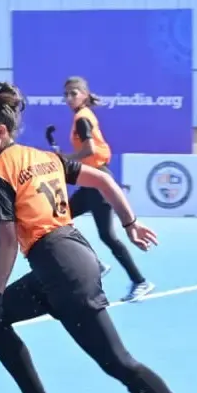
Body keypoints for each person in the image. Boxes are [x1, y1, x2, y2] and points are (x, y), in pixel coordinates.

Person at [0, 82, 197, 393]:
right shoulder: (44, 157)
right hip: (68, 260)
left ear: (1, 131)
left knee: (117, 363)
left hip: (64, 272)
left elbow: (7, 238)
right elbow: (104, 181)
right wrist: (130, 223)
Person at [62, 76, 154, 302]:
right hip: (91, 180)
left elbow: (89, 150)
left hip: (99, 179)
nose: (69, 98)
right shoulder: (81, 117)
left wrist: (65, 159)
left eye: (74, 93)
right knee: (60, 219)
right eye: (66, 94)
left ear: (84, 94)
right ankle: (96, 264)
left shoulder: (83, 118)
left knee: (107, 236)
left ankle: (140, 281)